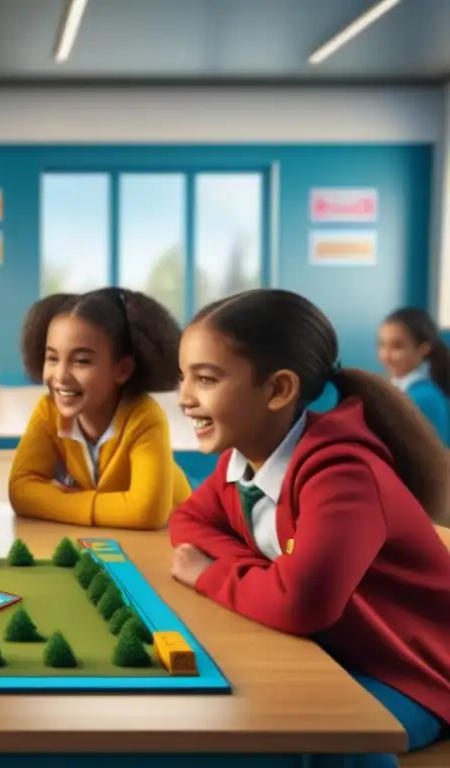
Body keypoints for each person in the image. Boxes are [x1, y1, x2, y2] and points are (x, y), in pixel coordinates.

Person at [169, 288, 450, 767]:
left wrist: (210, 574)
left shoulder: (342, 473)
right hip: (333, 650)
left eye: (206, 379)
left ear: (278, 390)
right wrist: (268, 576)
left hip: (412, 676)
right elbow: (188, 522)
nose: (184, 398)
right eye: (183, 378)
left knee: (327, 739)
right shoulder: (245, 457)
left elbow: (300, 605)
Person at [9, 287, 191, 528]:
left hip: (178, 532)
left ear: (122, 370)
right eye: (52, 358)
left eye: (81, 361)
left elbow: (147, 513)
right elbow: (21, 491)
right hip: (117, 536)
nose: (61, 375)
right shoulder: (48, 411)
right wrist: (111, 506)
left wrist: (64, 501)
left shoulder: (145, 418)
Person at [377, 306, 450, 445]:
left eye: (397, 347)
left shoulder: (422, 398)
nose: (386, 355)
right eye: (382, 345)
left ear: (424, 348)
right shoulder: (399, 388)